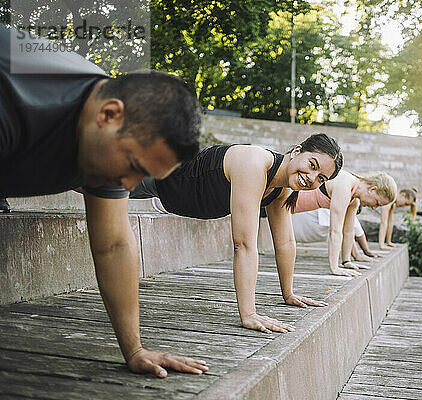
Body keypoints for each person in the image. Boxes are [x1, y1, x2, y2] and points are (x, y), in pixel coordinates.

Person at [0, 26, 207, 378]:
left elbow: (113, 244)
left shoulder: (108, 130)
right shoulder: (20, 102)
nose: (126, 186)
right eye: (132, 167)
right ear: (109, 114)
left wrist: (135, 349)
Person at [130, 134, 343, 334]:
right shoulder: (254, 163)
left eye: (321, 179)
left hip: (163, 190)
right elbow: (243, 244)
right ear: (297, 151)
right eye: (312, 165)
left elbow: (285, 243)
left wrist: (288, 294)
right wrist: (249, 314)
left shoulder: (282, 189)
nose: (312, 178)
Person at [290, 170, 397, 277]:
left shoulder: (354, 200)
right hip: (282, 201)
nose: (374, 208)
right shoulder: (345, 185)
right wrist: (334, 268)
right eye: (377, 203)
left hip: (287, 209)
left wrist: (347, 261)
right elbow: (335, 230)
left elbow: (349, 231)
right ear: (372, 189)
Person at [292, 208, 379, 262]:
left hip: (295, 231)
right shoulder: (338, 209)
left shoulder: (337, 210)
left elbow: (349, 233)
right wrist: (364, 252)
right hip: (294, 230)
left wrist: (358, 254)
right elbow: (359, 234)